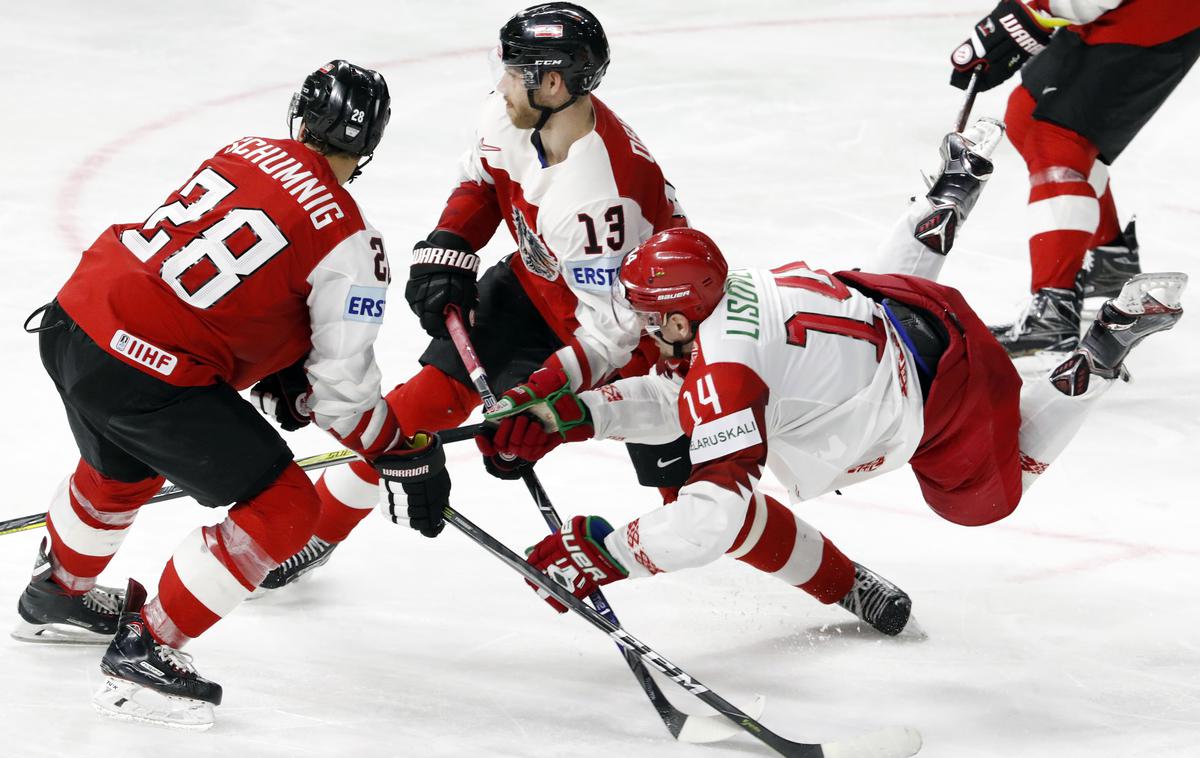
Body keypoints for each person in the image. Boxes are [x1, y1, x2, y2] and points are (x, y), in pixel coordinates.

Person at [401, 124, 1185, 628]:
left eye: (648, 315)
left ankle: (1104, 348)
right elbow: (678, 395)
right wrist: (569, 417)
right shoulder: (725, 293)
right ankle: (946, 200)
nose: (639, 327)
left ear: (678, 317)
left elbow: (710, 514)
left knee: (986, 497)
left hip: (945, 391)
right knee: (853, 303)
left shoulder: (722, 374)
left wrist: (602, 552)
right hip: (906, 303)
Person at [13, 60, 444, 729]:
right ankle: (147, 650)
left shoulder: (245, 149)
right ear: (369, 146)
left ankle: (59, 595)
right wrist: (394, 447)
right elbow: (342, 397)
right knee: (285, 504)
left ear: (300, 118)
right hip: (143, 372)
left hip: (75, 321)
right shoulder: (353, 242)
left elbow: (218, 281)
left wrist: (281, 365)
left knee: (121, 467)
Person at [256, 2, 690, 589]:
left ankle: (832, 578)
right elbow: (483, 179)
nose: (501, 81)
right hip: (537, 291)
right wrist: (452, 243)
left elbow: (611, 337)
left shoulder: (597, 198)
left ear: (552, 82)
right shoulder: (517, 116)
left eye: (513, 70)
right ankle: (314, 532)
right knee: (408, 419)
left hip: (642, 344)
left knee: (698, 495)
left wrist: (539, 404)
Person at [948, 0, 1200, 355]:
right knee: (1026, 115)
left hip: (1154, 16)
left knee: (1055, 137)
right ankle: (1109, 260)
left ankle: (1052, 315)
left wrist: (1030, 10)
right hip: (1118, 13)